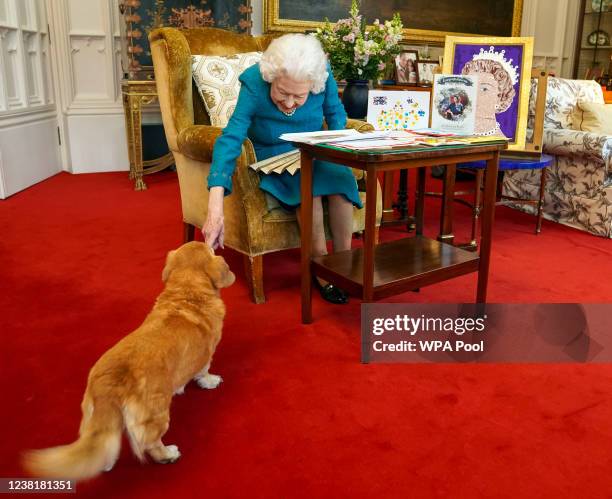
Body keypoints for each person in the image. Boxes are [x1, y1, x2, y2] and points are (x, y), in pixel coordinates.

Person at [203, 33, 362, 304]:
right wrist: (215, 203)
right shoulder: (254, 81)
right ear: (271, 77)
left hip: (314, 148)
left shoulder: (321, 74)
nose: (289, 104)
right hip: (272, 153)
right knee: (308, 189)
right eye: (282, 92)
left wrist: (339, 150)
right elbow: (231, 136)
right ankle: (321, 268)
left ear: (312, 84)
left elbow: (336, 116)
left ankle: (342, 264)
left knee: (341, 182)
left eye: (299, 96)